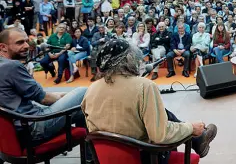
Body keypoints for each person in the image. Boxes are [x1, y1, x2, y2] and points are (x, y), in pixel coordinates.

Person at [81, 39, 217, 164]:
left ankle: (198, 140)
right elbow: (160, 135)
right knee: (164, 122)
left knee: (161, 113)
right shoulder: (145, 86)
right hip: (144, 158)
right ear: (128, 59)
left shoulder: (91, 89)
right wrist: (191, 128)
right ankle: (197, 138)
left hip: (105, 159)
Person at [0, 28, 87, 157]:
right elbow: (44, 99)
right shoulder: (11, 66)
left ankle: (91, 157)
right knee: (84, 92)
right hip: (34, 127)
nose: (26, 46)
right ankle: (95, 157)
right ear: (3, 47)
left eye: (26, 41)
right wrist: (68, 97)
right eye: (19, 43)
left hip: (17, 130)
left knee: (81, 109)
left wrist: (66, 98)